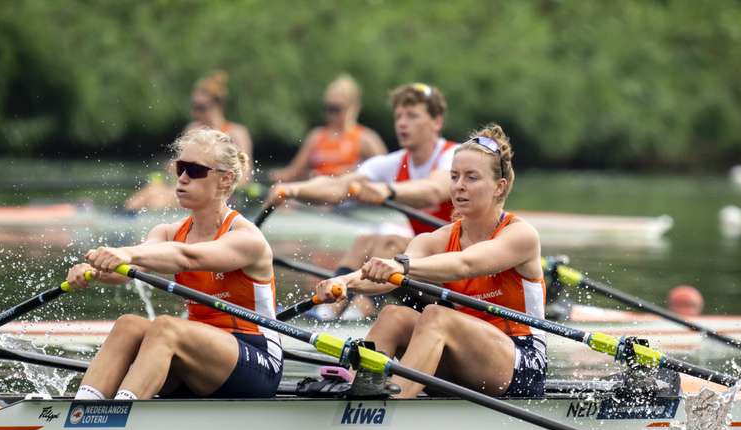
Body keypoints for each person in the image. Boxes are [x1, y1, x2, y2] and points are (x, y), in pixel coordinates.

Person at [314, 124, 546, 399]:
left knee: (436, 316)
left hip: (521, 361)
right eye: (455, 176)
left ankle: (395, 404)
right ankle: (356, 389)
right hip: (463, 356)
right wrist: (345, 282)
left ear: (499, 187)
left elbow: (465, 264)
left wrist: (402, 267)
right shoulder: (438, 239)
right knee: (393, 316)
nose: (459, 186)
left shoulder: (521, 235)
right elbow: (391, 271)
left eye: (472, 178)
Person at [69, 128, 282, 400]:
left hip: (256, 360)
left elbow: (187, 257)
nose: (181, 179)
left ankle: (119, 418)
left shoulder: (246, 238)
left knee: (165, 328)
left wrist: (127, 254)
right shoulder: (168, 232)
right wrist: (95, 271)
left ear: (224, 180)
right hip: (196, 355)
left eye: (194, 170)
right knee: (128, 325)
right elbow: (130, 270)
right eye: (181, 168)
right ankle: (84, 409)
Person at [265, 83, 456, 318]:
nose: (402, 123)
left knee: (387, 245)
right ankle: (330, 310)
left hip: (458, 270)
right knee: (364, 242)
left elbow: (434, 190)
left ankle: (344, 309)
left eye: (412, 116)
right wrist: (293, 190)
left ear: (436, 122)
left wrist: (387, 190)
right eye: (398, 116)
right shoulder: (393, 162)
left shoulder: (453, 156)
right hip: (425, 265)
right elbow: (339, 186)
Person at [125, 71, 253, 211]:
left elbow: (244, 177)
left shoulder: (237, 133)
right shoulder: (192, 129)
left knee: (157, 200)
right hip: (188, 186)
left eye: (201, 108)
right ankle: (121, 223)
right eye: (194, 107)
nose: (195, 114)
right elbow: (179, 167)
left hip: (217, 194)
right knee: (147, 193)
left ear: (219, 105)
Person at [269, 75, 386, 182]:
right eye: (328, 108)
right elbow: (292, 173)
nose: (331, 114)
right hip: (319, 197)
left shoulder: (367, 139)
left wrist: (350, 172)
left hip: (350, 198)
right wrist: (276, 176)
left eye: (336, 108)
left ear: (354, 107)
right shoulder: (315, 137)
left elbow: (385, 174)